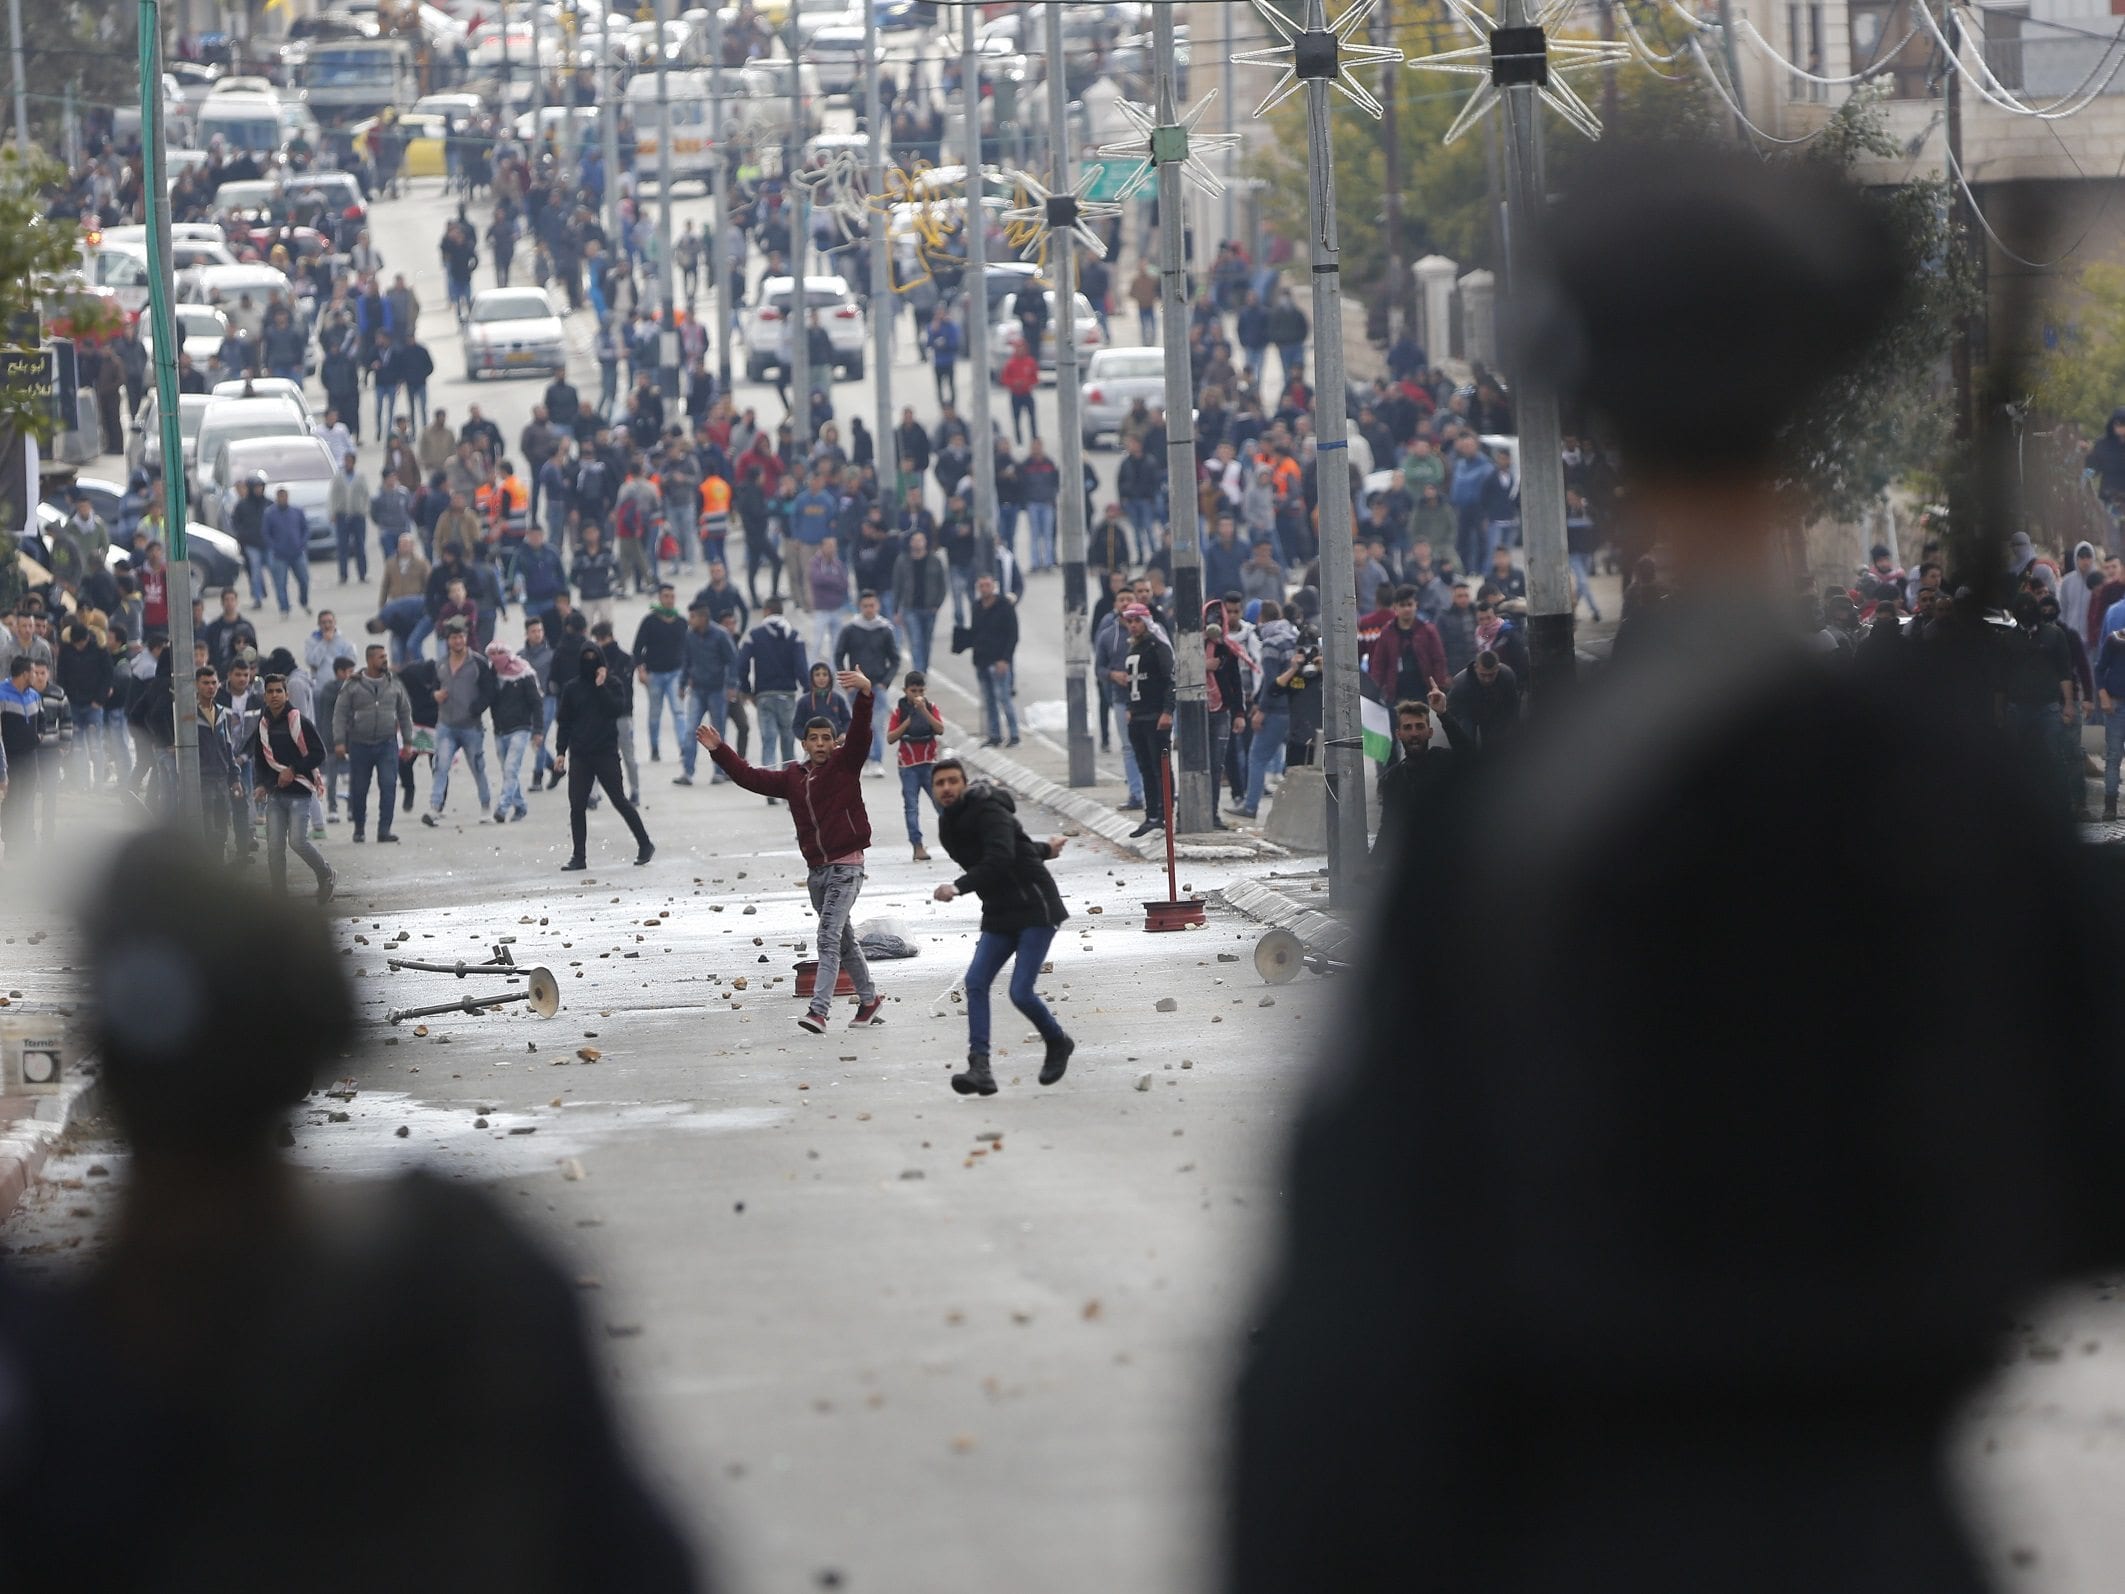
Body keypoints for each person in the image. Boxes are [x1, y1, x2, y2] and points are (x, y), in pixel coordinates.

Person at [1230, 142, 2125, 1594]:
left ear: (1587, 409)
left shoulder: (1507, 807)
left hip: (1583, 1524)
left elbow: (1355, 1285)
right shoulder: (1950, 781)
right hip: (1877, 1526)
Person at [698, 668, 887, 1035]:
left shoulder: (846, 766)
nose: (819, 744)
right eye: (813, 738)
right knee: (843, 938)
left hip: (847, 867)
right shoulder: (792, 778)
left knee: (828, 937)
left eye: (826, 738)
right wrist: (720, 751)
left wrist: (865, 694)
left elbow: (863, 732)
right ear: (803, 743)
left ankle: (819, 1011)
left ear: (835, 742)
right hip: (818, 872)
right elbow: (750, 777)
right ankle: (869, 1000)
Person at [929, 758, 1075, 1097]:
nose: (947, 788)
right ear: (934, 790)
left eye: (953, 781)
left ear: (964, 784)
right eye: (940, 783)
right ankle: (980, 1067)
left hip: (1035, 906)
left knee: (1020, 992)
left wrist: (958, 887)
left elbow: (1001, 857)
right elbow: (1014, 847)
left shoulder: (987, 809)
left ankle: (1057, 1040)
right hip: (998, 910)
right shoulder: (947, 825)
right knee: (976, 981)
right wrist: (1045, 849)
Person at [552, 641, 655, 870]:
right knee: (577, 805)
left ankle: (645, 844)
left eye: (593, 658)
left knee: (619, 800)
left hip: (605, 753)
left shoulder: (613, 684)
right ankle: (579, 857)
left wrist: (601, 687)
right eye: (585, 658)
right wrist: (561, 752)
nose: (590, 663)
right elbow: (564, 722)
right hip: (580, 755)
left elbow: (616, 709)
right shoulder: (572, 688)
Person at [243, 672, 335, 902]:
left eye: (279, 691)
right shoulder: (263, 726)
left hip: (299, 792)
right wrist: (261, 785)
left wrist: (293, 770)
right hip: (275, 794)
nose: (274, 695)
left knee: (297, 841)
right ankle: (279, 897)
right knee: (274, 848)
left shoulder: (299, 721)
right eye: (270, 691)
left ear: (287, 694)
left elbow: (318, 754)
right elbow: (260, 759)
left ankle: (326, 873)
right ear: (264, 696)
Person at [333, 641, 414, 843]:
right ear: (369, 660)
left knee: (388, 785)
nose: (385, 660)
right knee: (359, 788)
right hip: (360, 744)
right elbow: (340, 713)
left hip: (387, 743)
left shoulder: (394, 682)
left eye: (386, 657)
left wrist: (408, 741)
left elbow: (404, 712)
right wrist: (340, 741)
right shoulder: (353, 684)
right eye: (381, 657)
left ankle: (384, 830)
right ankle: (359, 828)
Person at [421, 622, 496, 825]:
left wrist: (476, 708)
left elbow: (489, 691)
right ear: (448, 640)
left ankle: (486, 806)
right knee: (441, 765)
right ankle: (435, 807)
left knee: (478, 767)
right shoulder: (441, 664)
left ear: (466, 637)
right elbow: (434, 687)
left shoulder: (479, 663)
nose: (458, 641)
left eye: (461, 637)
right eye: (454, 638)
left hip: (471, 726)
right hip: (446, 725)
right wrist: (435, 695)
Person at [1118, 603, 1175, 835]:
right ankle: (1151, 815)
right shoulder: (1133, 649)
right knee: (1145, 768)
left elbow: (1170, 680)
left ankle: (1165, 814)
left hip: (1156, 716)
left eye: (1137, 621)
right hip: (1138, 716)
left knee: (1159, 767)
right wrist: (1130, 708)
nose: (1133, 626)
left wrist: (1167, 711)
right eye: (1130, 622)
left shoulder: (1157, 646)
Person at [738, 597, 807, 777]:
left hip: (764, 695)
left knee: (768, 740)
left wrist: (747, 690)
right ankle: (789, 786)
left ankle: (769, 784)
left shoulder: (755, 635)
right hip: (787, 695)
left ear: (766, 611)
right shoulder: (793, 635)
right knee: (787, 742)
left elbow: (742, 664)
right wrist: (808, 690)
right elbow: (801, 667)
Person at [835, 590, 900, 775]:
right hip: (855, 686)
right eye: (865, 606)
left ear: (877, 606)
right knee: (858, 724)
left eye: (872, 605)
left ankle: (876, 759)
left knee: (877, 724)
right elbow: (839, 655)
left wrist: (885, 682)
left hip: (877, 684)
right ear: (859, 607)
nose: (869, 609)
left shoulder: (885, 630)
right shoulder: (850, 630)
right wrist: (846, 681)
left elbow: (894, 660)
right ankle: (860, 759)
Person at [675, 605, 740, 787]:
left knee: (717, 731)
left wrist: (732, 685)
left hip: (717, 690)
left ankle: (719, 771)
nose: (690, 620)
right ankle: (687, 772)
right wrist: (682, 684)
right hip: (697, 689)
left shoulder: (720, 635)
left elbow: (732, 660)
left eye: (693, 617)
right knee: (691, 730)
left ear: (703, 618)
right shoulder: (690, 636)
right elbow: (686, 661)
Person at [886, 669, 944, 860]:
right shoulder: (899, 711)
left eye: (920, 691)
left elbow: (939, 729)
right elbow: (891, 737)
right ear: (905, 691)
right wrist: (909, 720)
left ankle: (954, 838)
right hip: (908, 766)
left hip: (929, 764)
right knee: (912, 807)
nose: (917, 695)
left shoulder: (931, 707)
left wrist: (924, 711)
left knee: (941, 804)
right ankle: (917, 845)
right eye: (913, 691)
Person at [964, 572, 1020, 747]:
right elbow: (975, 632)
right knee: (988, 701)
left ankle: (1014, 734)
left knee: (1003, 698)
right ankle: (994, 735)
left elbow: (1013, 635)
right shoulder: (977, 607)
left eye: (987, 585)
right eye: (981, 586)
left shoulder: (1004, 606)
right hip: (982, 660)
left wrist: (1005, 659)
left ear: (993, 586)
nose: (984, 589)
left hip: (999, 661)